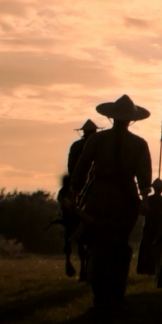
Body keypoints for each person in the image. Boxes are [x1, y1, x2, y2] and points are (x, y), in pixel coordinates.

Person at [70, 95, 153, 311]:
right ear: (131, 120)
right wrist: (144, 201)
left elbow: (81, 168)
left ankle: (100, 292)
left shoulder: (96, 140)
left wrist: (74, 194)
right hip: (127, 198)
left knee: (98, 243)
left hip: (99, 196)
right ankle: (117, 291)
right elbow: (144, 177)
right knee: (119, 244)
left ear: (111, 118)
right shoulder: (139, 143)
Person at [59, 119, 100, 280]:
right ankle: (86, 268)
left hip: (76, 181)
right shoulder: (99, 144)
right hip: (94, 181)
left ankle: (64, 215)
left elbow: (71, 167)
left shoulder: (76, 146)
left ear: (83, 132)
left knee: (63, 195)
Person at [135, 178, 162, 275]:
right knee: (158, 249)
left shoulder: (148, 200)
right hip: (159, 228)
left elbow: (142, 212)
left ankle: (144, 269)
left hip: (149, 226)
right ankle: (156, 269)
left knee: (147, 248)